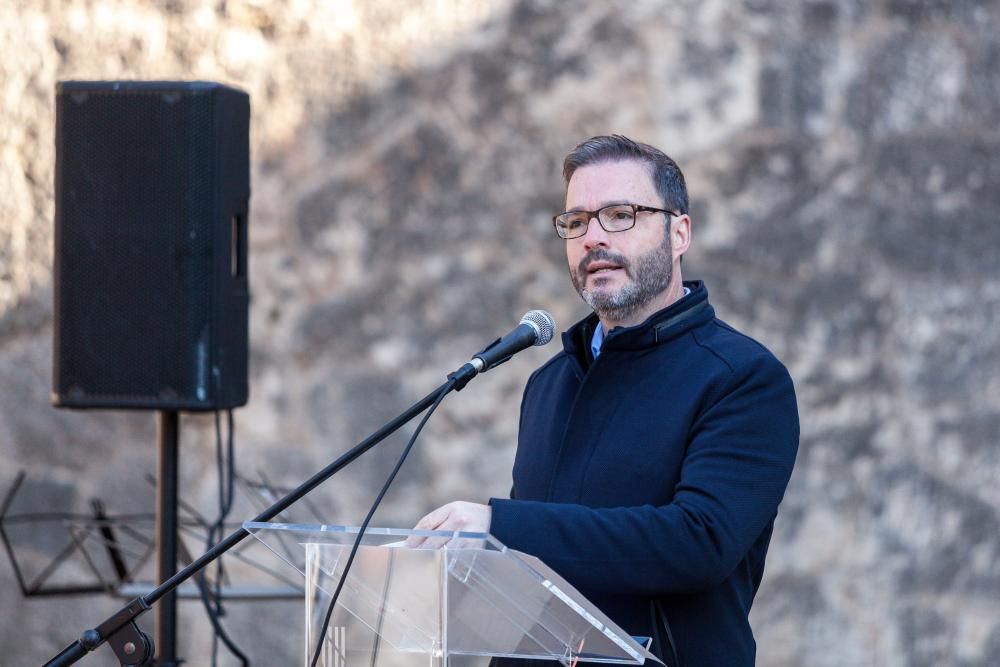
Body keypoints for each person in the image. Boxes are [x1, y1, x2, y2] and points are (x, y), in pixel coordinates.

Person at [409, 135, 800, 666]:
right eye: (576, 221)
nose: (593, 237)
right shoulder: (549, 382)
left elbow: (699, 542)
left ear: (678, 232)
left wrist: (497, 525)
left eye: (619, 214)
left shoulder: (743, 379)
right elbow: (534, 573)